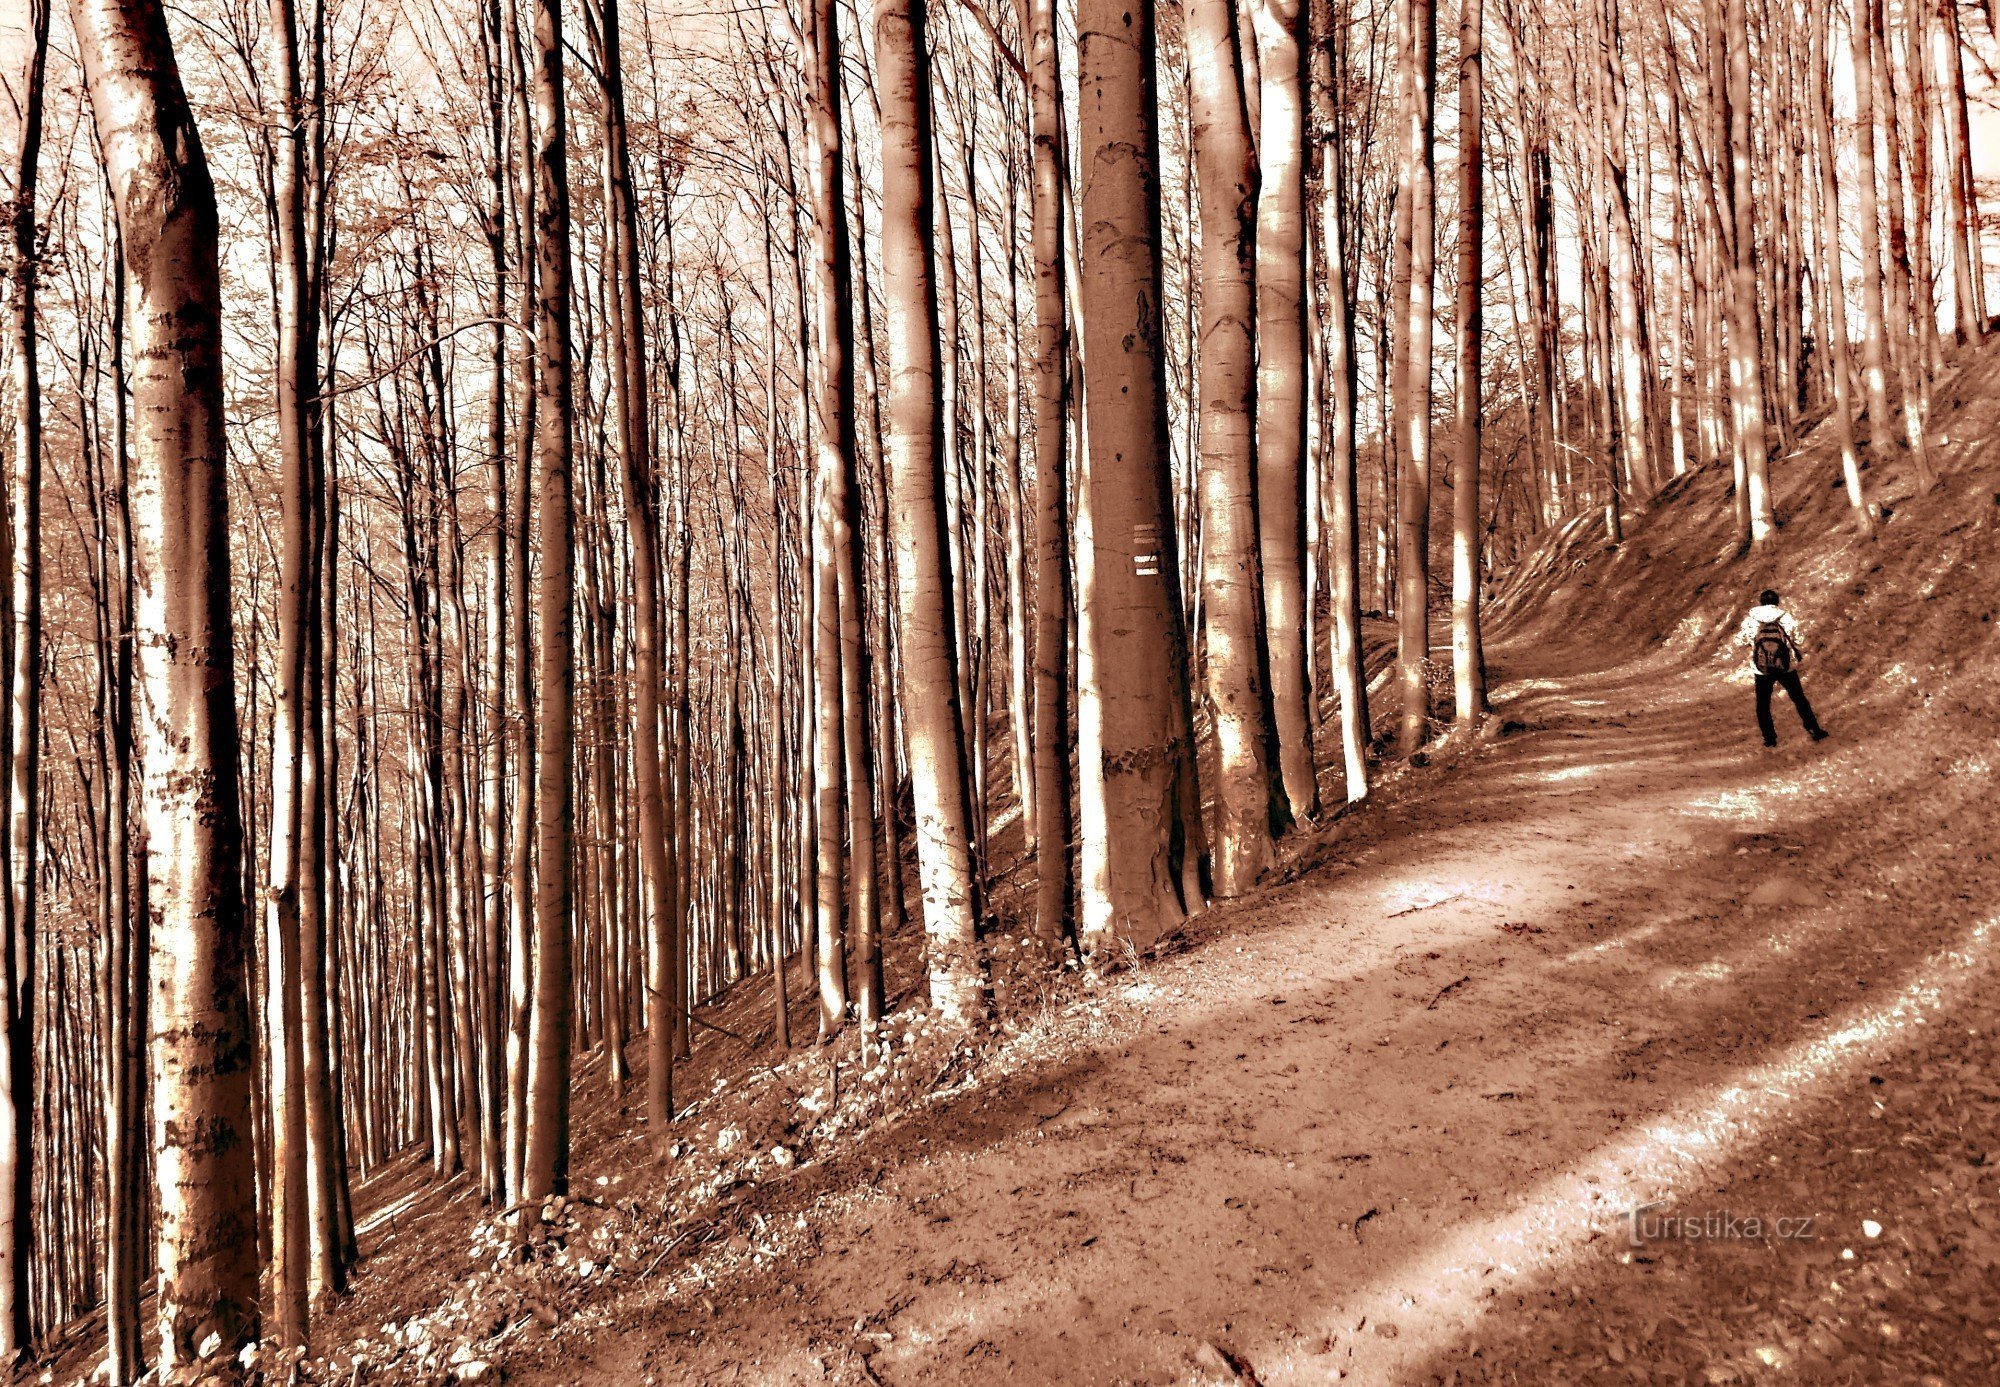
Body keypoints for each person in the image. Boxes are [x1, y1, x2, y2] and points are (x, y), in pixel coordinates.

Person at [1738, 589, 1828, 747]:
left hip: (1762, 669)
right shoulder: (1785, 617)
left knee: (1763, 704)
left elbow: (1740, 642)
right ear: (1777, 602)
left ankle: (1769, 738)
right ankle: (1814, 729)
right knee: (1799, 699)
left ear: (1761, 602)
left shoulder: (1750, 620)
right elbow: (1799, 639)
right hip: (1786, 667)